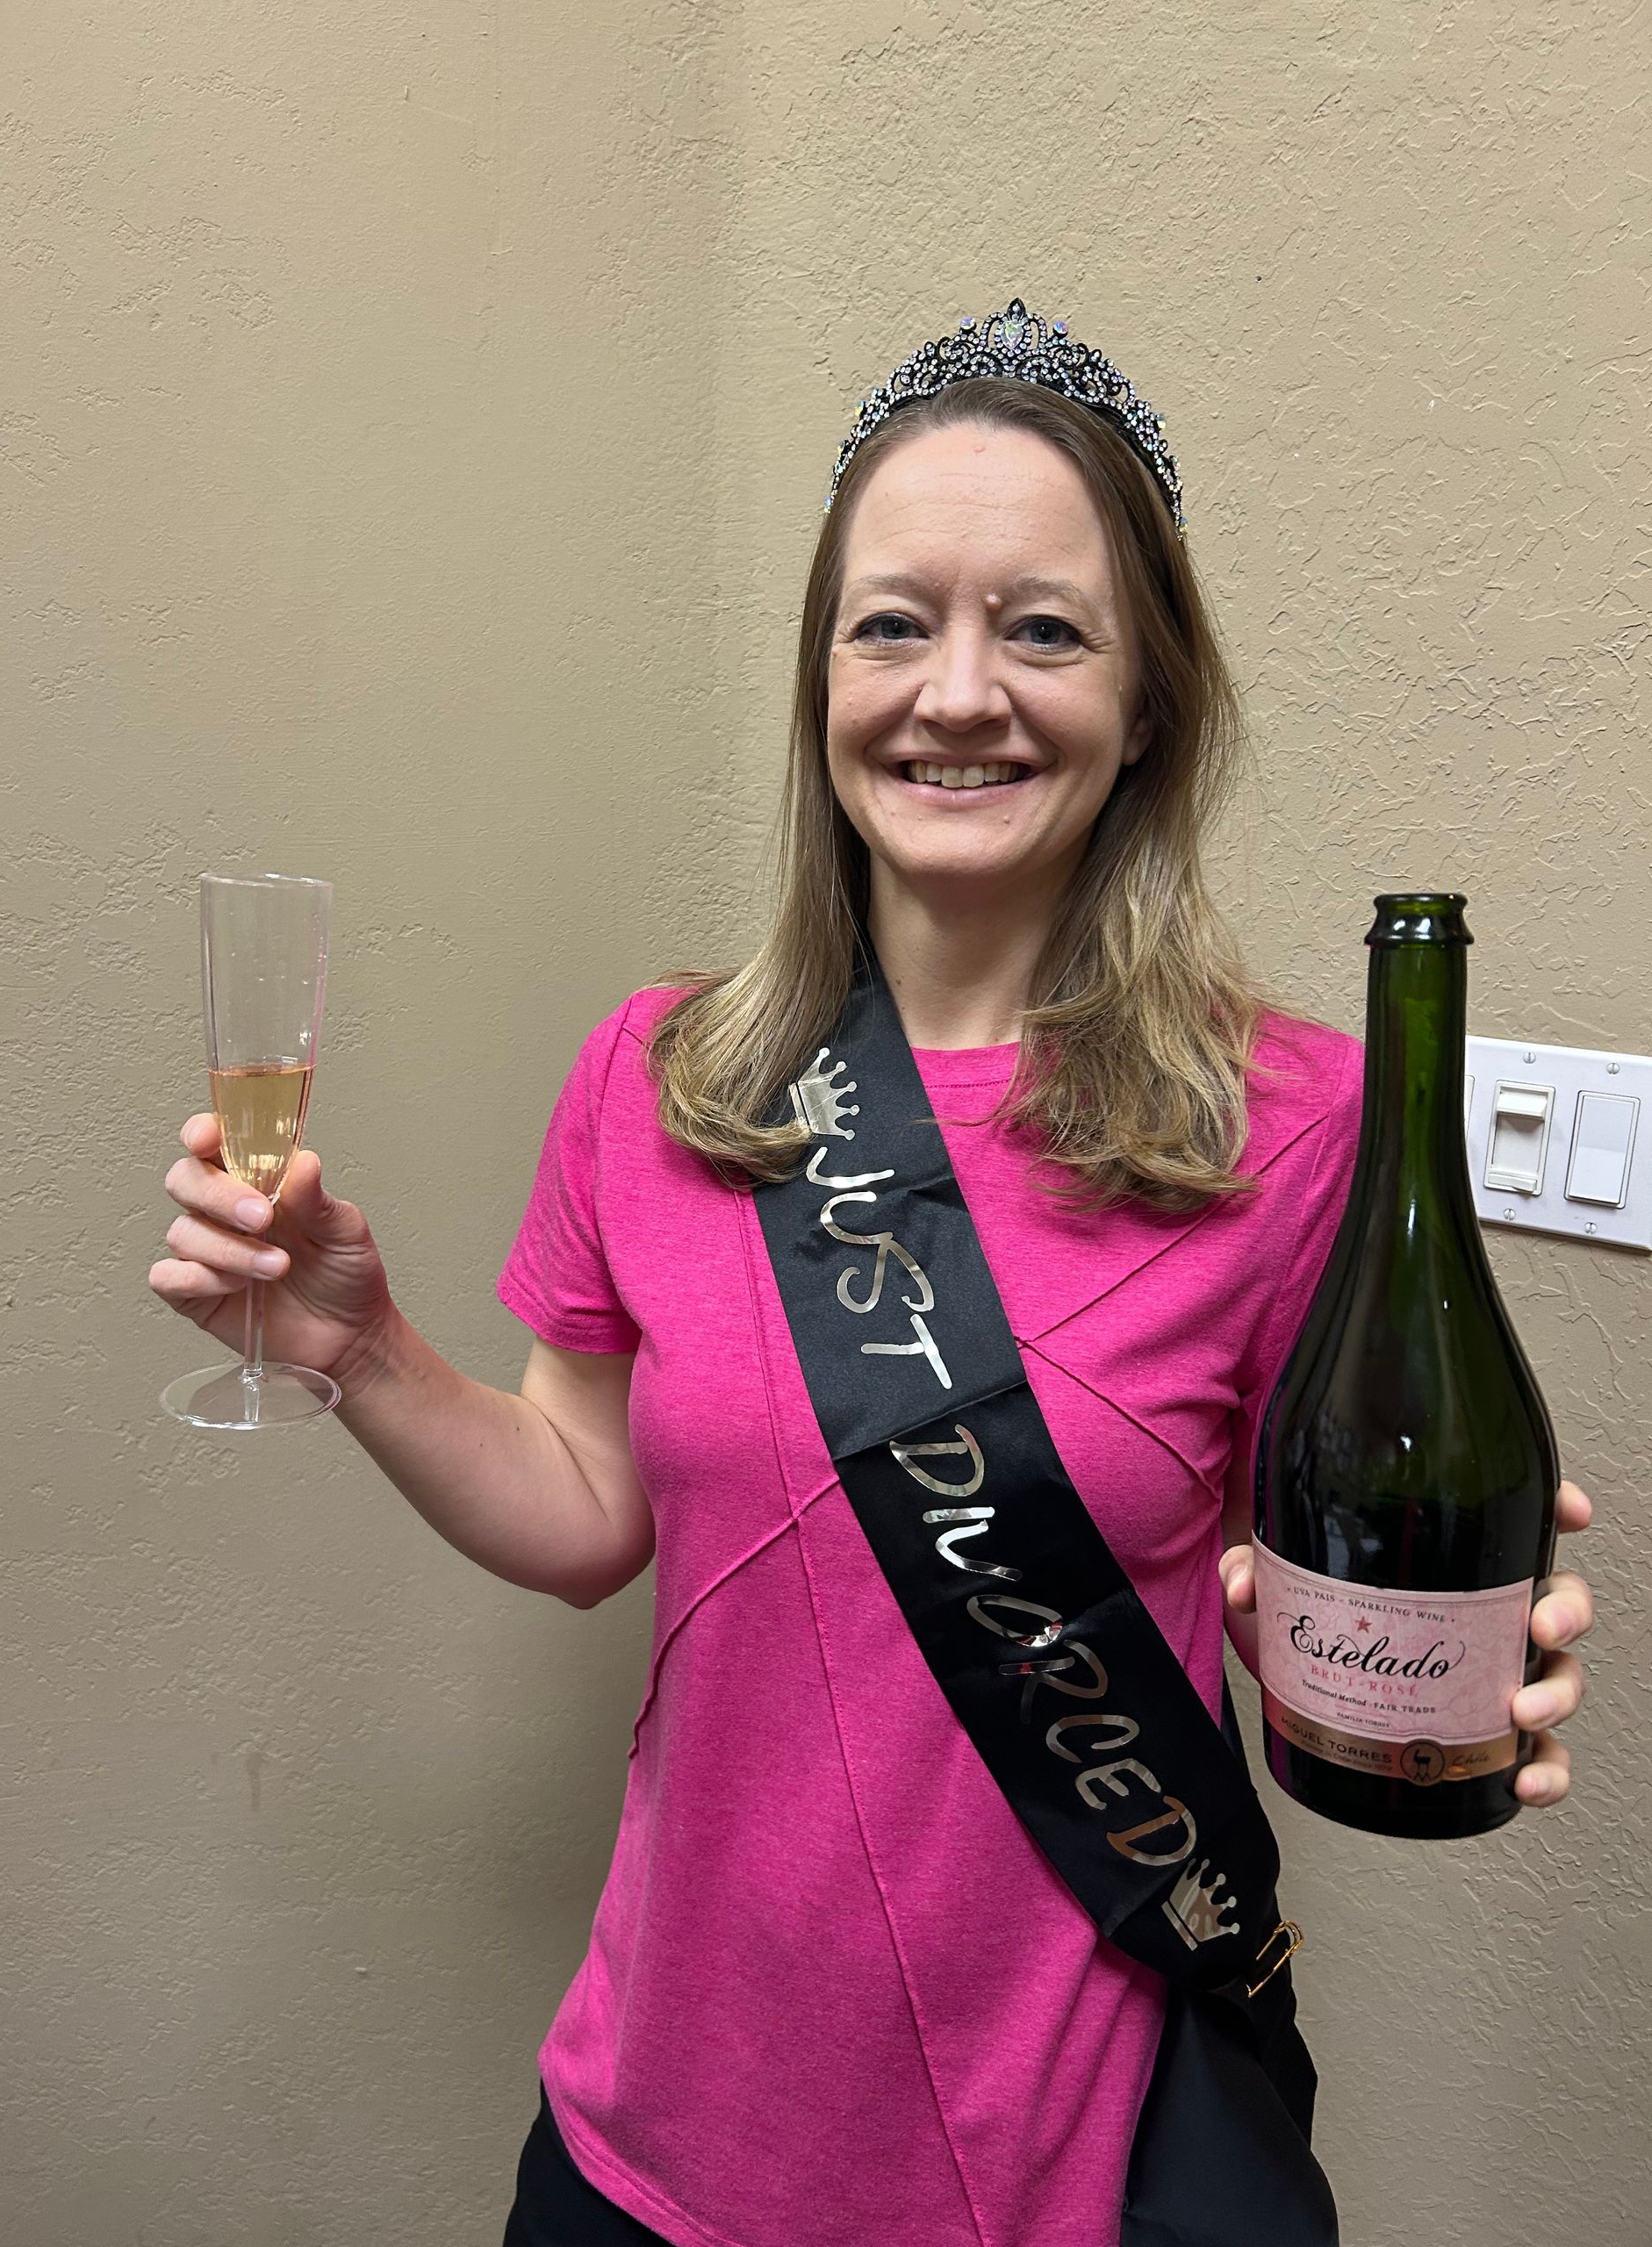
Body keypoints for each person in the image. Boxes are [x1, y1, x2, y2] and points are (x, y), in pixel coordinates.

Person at [150, 299, 1597, 2247]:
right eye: (894, 621)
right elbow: (590, 1511)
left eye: (1048, 628)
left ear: (1152, 697)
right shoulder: (661, 1076)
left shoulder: (1299, 1123)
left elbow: (1288, 1571)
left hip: (1081, 2156)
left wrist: (1391, 1656)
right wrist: (354, 1346)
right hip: (660, 2131)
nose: (959, 692)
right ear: (824, 682)